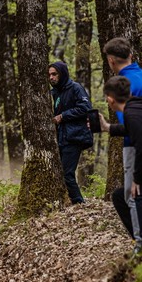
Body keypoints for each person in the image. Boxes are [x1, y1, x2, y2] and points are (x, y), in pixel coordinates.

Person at [103, 37, 142, 245]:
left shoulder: (121, 85)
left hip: (136, 145)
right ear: (131, 55)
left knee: (135, 194)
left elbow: (132, 125)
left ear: (111, 61)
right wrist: (108, 128)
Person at [48, 61, 93, 205]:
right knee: (59, 172)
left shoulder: (75, 88)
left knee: (66, 174)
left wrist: (63, 116)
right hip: (62, 137)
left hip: (75, 136)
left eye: (54, 74)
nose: (51, 77)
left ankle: (79, 203)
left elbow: (86, 107)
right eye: (49, 74)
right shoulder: (55, 92)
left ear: (63, 73)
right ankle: (68, 201)